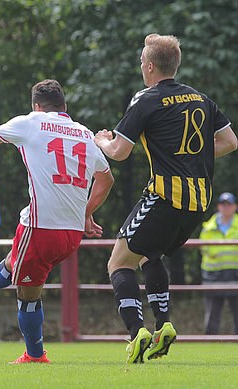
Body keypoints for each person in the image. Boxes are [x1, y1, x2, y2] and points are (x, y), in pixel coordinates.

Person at [0, 79, 114, 364]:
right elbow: (106, 179)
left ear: (37, 106)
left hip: (42, 228)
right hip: (72, 234)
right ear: (65, 107)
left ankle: (35, 355)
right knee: (12, 264)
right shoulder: (84, 133)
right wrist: (86, 213)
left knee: (27, 293)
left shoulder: (32, 122)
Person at [94, 34, 237, 363]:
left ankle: (136, 333)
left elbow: (119, 151)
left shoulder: (145, 99)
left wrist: (102, 140)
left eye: (142, 63)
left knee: (119, 262)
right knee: (149, 255)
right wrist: (194, 157)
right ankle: (164, 325)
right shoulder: (201, 98)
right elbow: (230, 141)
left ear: (149, 66)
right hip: (198, 204)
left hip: (165, 197)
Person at [199, 192, 238, 334]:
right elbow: (203, 249)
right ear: (219, 207)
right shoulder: (208, 227)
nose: (226, 208)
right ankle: (210, 345)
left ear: (235, 207)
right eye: (224, 205)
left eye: (229, 205)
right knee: (211, 316)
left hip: (235, 274)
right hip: (213, 275)